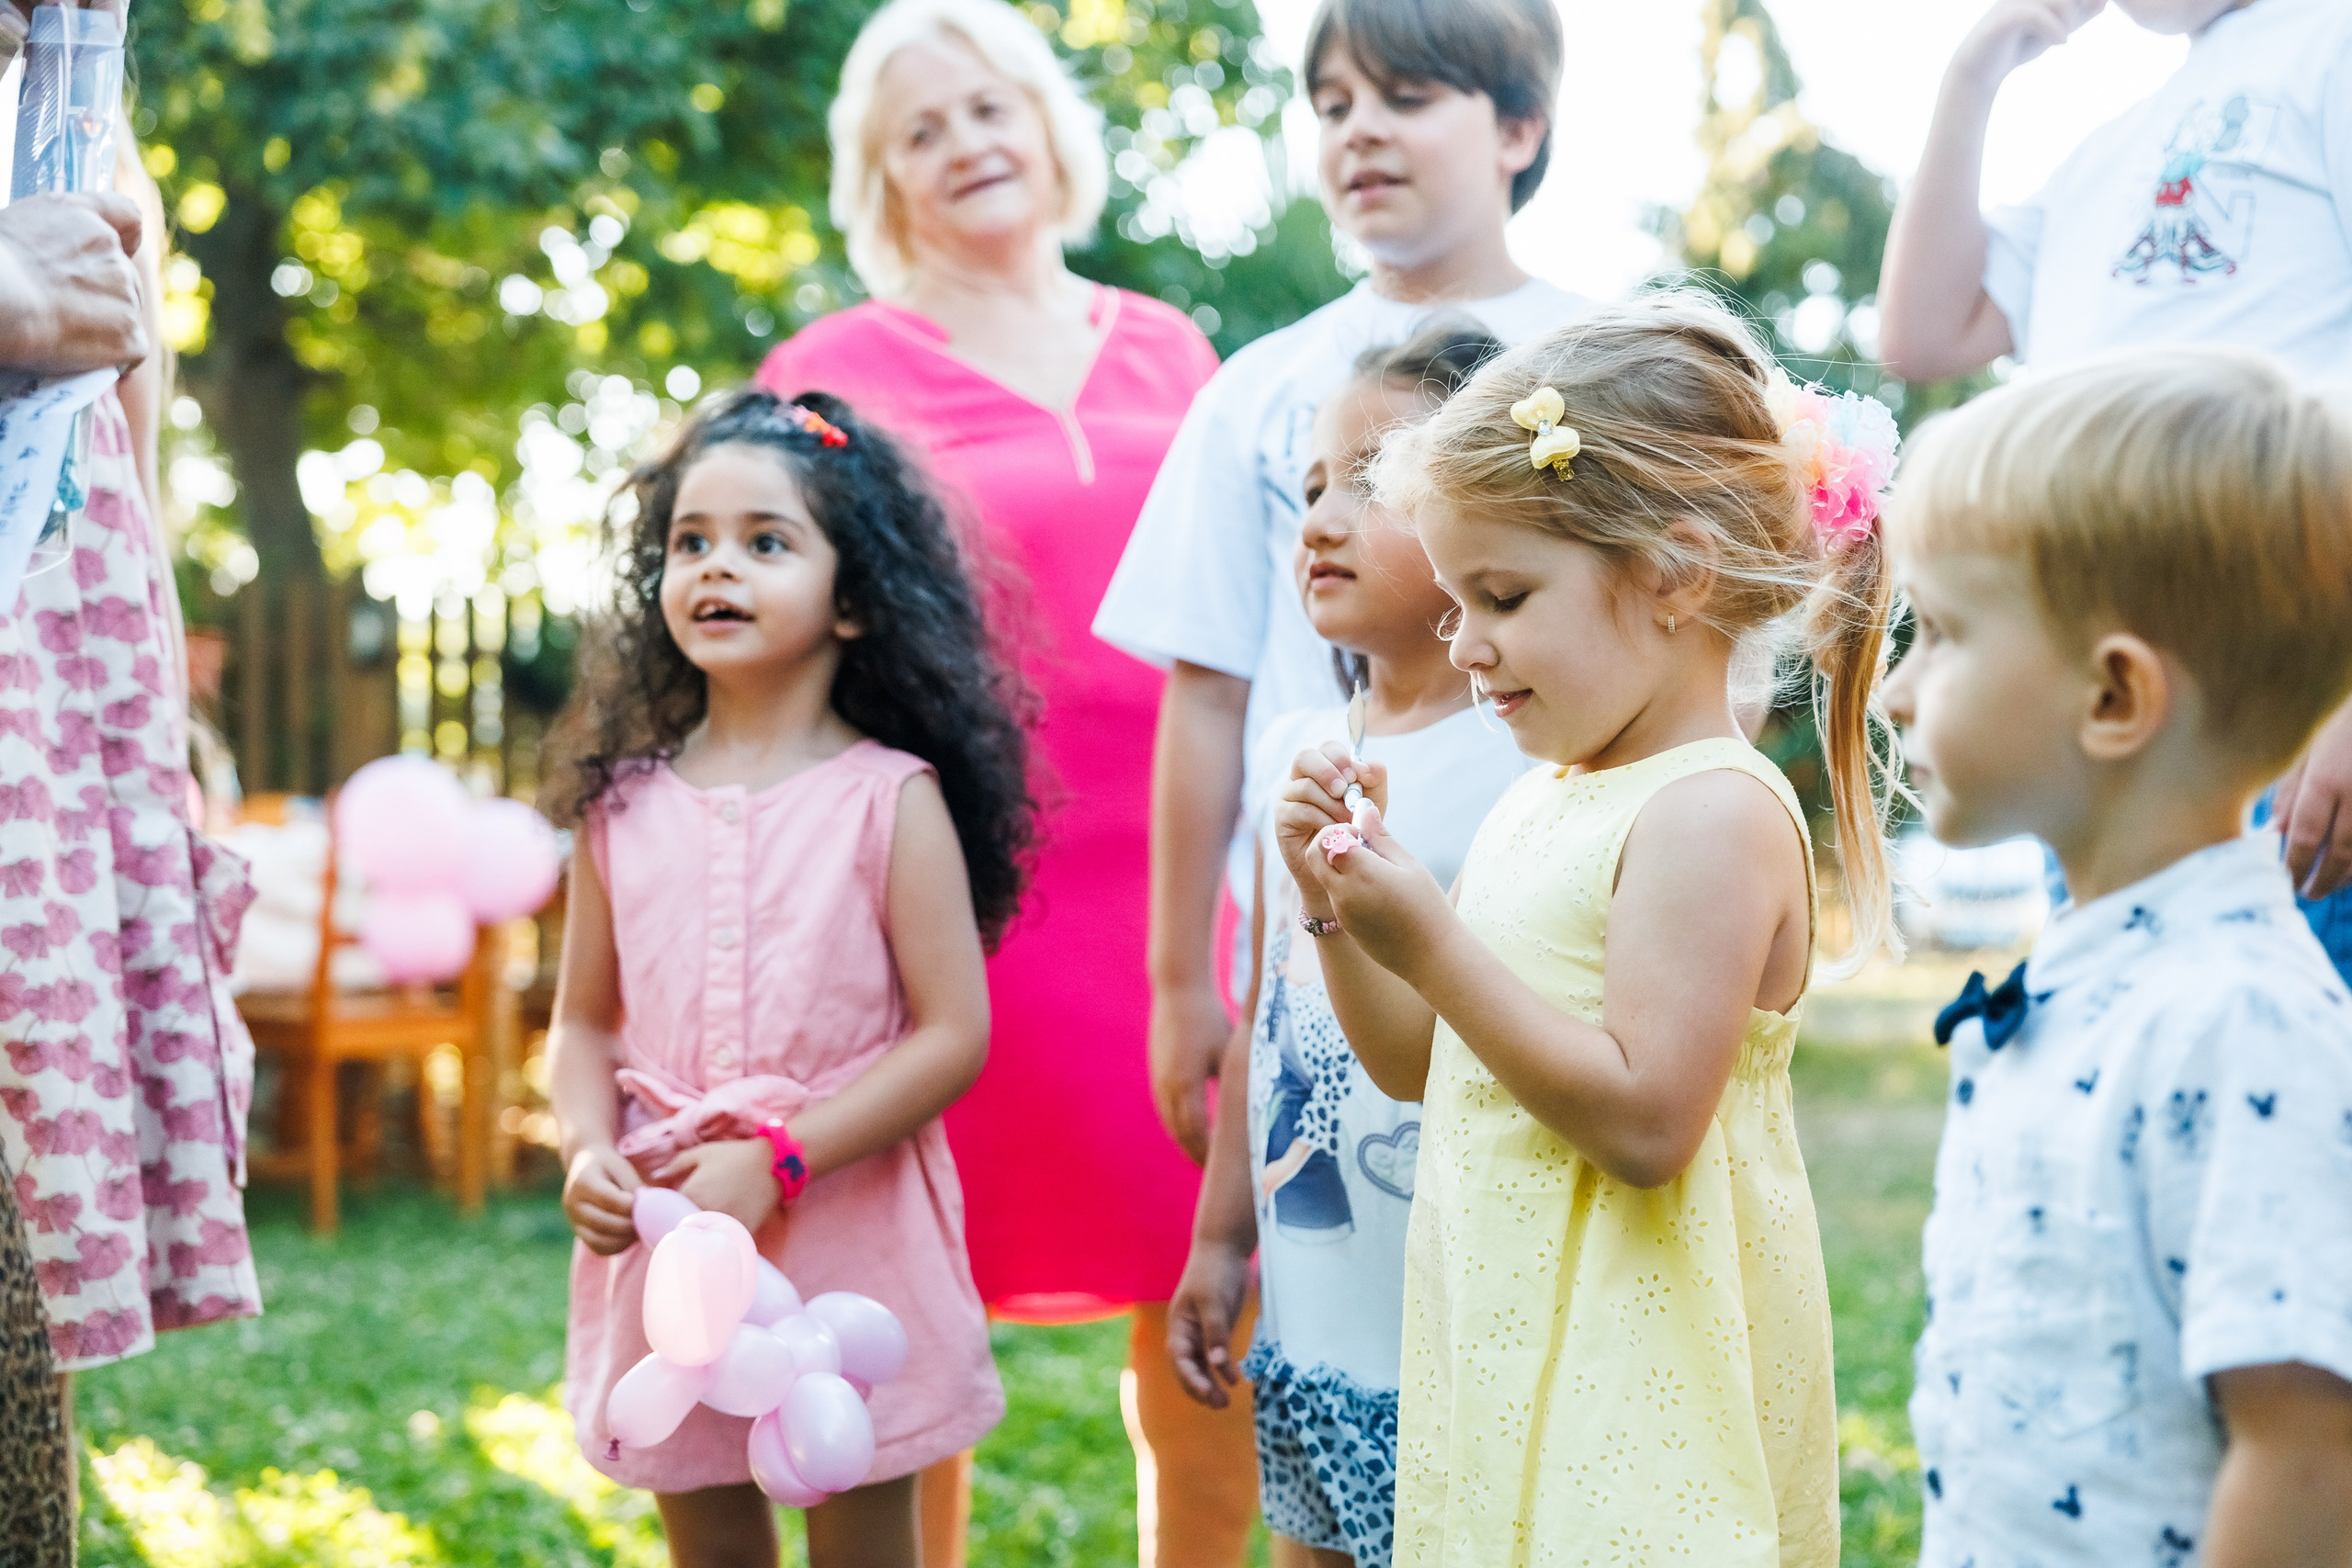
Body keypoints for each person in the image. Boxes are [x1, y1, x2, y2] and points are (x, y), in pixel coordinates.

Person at [1278, 297, 1903, 1563]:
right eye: (1455, 601)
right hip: (1519, 1349)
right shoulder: (1548, 795)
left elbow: (1645, 1120)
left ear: (1674, 573)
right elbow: (1420, 1061)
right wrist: (1339, 906)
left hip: (1639, 1374)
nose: (1467, 644)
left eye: (1502, 594)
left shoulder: (1709, 811)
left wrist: (1434, 938)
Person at [751, 2, 1238, 1556]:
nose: (966, 143)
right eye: (922, 128)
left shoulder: (1171, 342)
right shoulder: (829, 367)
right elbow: (773, 615)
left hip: (1182, 889)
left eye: (988, 107)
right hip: (957, 899)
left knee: (1209, 1312)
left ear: (1047, 124)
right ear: (880, 180)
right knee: (912, 1319)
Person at [1091, 0, 1593, 1224]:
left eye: (1407, 97)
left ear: (1519, 125)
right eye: (1332, 105)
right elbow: (1207, 689)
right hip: (1312, 900)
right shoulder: (1256, 389)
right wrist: (1176, 983)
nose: (1360, 131)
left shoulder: (1603, 359)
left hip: (1552, 901)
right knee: (1327, 1219)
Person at [546, 388, 1032, 1568]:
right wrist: (582, 1147)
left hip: (851, 1225)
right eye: (690, 543)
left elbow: (951, 1033)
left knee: (863, 1526)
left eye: (767, 541)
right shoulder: (620, 809)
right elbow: (581, 1023)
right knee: (709, 1537)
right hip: (674, 1233)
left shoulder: (891, 799)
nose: (719, 567)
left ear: (855, 599)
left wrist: (783, 1158)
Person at [1884, 350, 2352, 1565]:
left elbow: (2306, 1451)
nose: (1892, 691)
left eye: (1937, 634)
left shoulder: (2242, 1018)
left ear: (2112, 696)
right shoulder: (2103, 980)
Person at [1878, 0, 2352, 984]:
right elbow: (1921, 332)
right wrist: (1973, 73)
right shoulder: (2104, 148)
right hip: (2100, 711)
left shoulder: (2326, 40)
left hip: (2287, 695)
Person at [1167, 326, 1525, 1568]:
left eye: (1372, 478)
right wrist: (1222, 1238)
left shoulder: (1533, 753)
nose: (1322, 513)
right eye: (1313, 482)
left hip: (1462, 1289)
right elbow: (1274, 1008)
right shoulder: (1296, 746)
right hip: (1316, 1275)